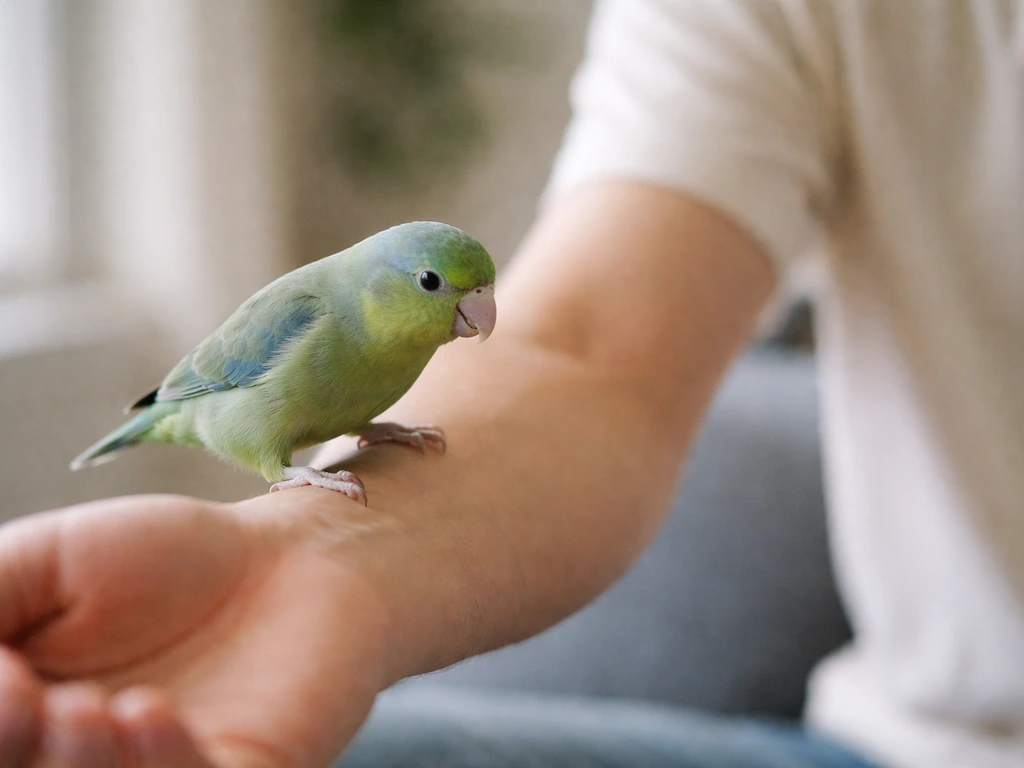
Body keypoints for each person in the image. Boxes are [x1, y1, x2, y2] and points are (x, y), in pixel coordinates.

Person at [1, 1, 1022, 766]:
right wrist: (299, 563)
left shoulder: (402, 324)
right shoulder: (308, 317)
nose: (473, 316)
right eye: (449, 291)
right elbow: (586, 351)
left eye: (472, 291)